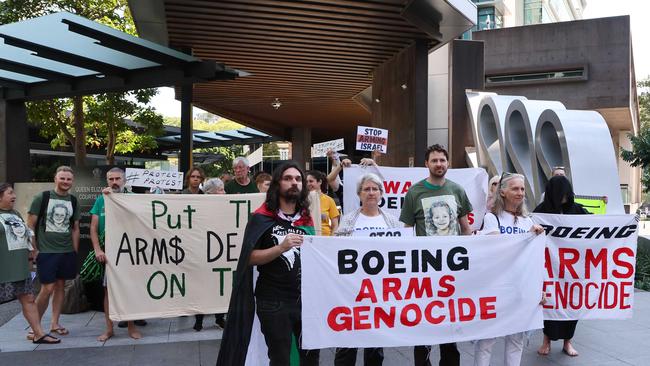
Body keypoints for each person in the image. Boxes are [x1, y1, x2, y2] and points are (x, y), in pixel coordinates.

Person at [216, 161, 319, 366]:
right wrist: (281, 248)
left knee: (310, 357)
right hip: (273, 300)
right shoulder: (261, 218)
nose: (294, 183)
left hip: (306, 300)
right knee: (280, 358)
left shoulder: (306, 219)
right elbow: (249, 258)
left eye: (298, 179)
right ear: (277, 184)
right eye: (288, 178)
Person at [399, 144, 472, 366]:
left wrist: (472, 255)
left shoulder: (457, 190)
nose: (439, 164)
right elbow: (406, 231)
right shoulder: (414, 192)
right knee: (424, 323)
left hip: (453, 269)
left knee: (450, 322)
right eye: (434, 160)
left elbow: (465, 228)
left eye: (442, 160)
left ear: (448, 163)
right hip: (425, 270)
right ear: (426, 164)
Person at [473, 172, 545, 366]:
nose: (520, 193)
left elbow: (535, 260)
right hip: (496, 288)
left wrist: (539, 287)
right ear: (502, 192)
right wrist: (527, 237)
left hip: (520, 288)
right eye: (515, 188)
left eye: (522, 189)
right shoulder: (491, 219)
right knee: (487, 339)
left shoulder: (528, 221)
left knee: (516, 340)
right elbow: (500, 249)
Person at [333, 173, 402, 365]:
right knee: (346, 342)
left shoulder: (392, 222)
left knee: (375, 343)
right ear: (359, 194)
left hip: (379, 290)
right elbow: (336, 252)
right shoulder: (347, 222)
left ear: (381, 194)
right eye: (366, 189)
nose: (371, 193)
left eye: (375, 189)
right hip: (352, 290)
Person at [535, 175, 588, 358]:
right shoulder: (541, 212)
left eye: (567, 194)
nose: (565, 198)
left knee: (572, 304)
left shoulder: (578, 211)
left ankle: (568, 341)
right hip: (550, 269)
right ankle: (546, 340)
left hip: (573, 270)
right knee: (548, 303)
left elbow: (595, 229)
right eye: (561, 194)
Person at [0, 183, 60, 345]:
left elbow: (25, 235)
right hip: (3, 267)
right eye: (10, 193)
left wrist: (31, 253)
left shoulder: (15, 213)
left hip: (19, 267)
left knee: (29, 299)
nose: (14, 196)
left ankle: (38, 334)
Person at [90, 168, 142, 341]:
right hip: (110, 254)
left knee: (129, 290)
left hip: (128, 252)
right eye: (111, 178)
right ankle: (109, 329)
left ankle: (131, 326)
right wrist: (98, 249)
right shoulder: (100, 200)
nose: (114, 182)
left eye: (118, 178)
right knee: (108, 292)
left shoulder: (132, 198)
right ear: (107, 181)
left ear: (124, 180)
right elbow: (93, 228)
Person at [27, 165, 80, 337]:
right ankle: (35, 328)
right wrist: (34, 249)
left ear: (72, 181)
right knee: (47, 288)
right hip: (47, 251)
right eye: (62, 178)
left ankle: (54, 324)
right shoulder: (42, 198)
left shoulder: (73, 201)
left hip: (66, 251)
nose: (65, 182)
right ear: (55, 178)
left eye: (68, 179)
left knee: (60, 287)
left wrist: (74, 251)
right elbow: (30, 226)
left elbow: (75, 228)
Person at [193, 177, 227, 331]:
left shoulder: (227, 205)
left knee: (220, 286)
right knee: (202, 287)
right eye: (220, 190)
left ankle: (219, 318)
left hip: (220, 253)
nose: (224, 192)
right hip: (203, 252)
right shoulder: (199, 206)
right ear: (210, 193)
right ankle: (198, 319)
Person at [306, 170, 339, 236]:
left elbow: (335, 225)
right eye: (306, 182)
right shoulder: (303, 200)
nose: (308, 184)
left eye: (311, 181)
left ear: (320, 182)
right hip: (308, 236)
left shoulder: (329, 200)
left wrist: (332, 239)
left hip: (325, 238)